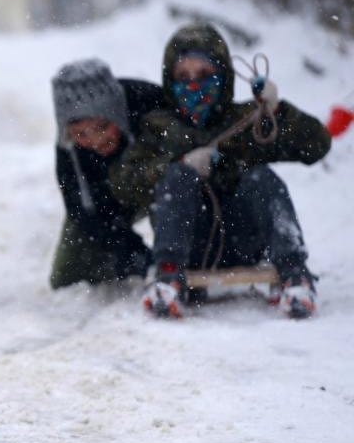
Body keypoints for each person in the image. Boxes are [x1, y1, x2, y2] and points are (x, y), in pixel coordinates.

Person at [112, 23, 331, 319]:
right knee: (178, 178)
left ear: (223, 76)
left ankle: (294, 273)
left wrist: (277, 111)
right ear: (170, 80)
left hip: (242, 238)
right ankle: (167, 278)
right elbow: (124, 184)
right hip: (188, 245)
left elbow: (315, 146)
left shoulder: (245, 120)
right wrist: (177, 167)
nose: (193, 86)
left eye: (204, 76)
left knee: (261, 177)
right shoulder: (158, 127)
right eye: (183, 77)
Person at [49, 59, 165, 290]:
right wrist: (126, 247)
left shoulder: (151, 104)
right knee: (66, 277)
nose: (96, 141)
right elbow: (80, 209)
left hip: (158, 186)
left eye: (103, 127)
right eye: (81, 134)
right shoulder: (68, 149)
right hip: (108, 198)